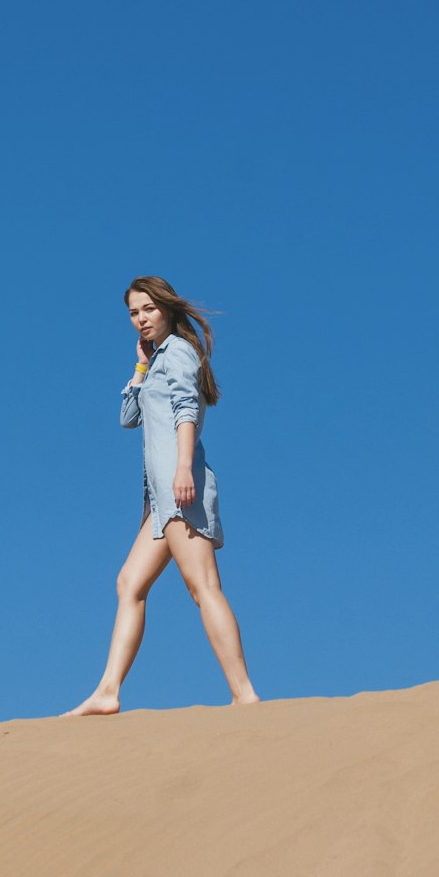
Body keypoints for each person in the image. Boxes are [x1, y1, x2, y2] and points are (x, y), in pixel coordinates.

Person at [67, 275, 258, 713]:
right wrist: (139, 367)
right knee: (129, 583)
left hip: (180, 486)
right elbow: (127, 418)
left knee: (203, 587)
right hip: (160, 503)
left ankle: (244, 694)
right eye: (134, 313)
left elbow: (186, 409)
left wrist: (183, 468)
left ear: (167, 308)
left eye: (148, 309)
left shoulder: (180, 352)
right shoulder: (156, 360)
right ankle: (108, 692)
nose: (140, 319)